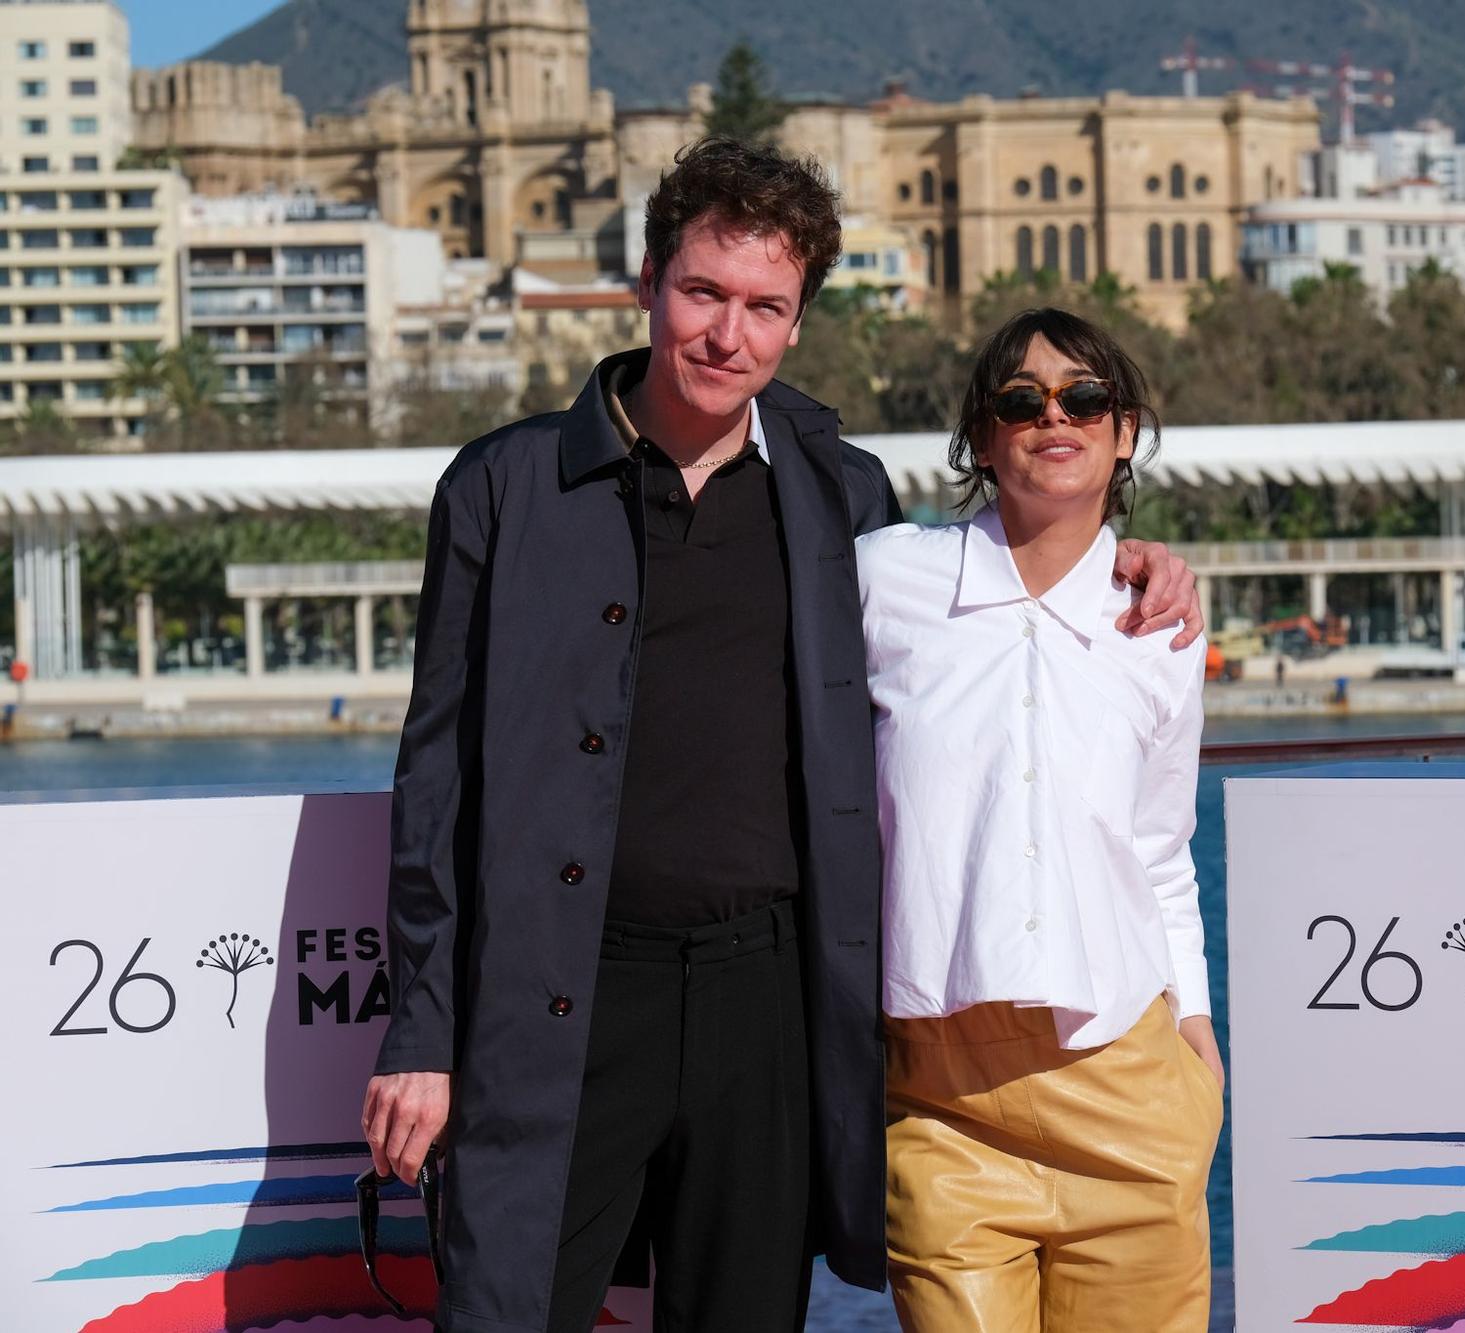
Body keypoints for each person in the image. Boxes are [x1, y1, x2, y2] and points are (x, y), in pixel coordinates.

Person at [359, 141, 1202, 1333]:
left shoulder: (839, 495)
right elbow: (434, 780)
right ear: (648, 280)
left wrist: (1132, 558)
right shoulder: (506, 487)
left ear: (796, 324)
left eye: (765, 307)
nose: (726, 335)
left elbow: (987, 583)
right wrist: (420, 1033)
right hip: (562, 995)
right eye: (703, 292)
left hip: (767, 1006)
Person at [856, 308, 1222, 1332]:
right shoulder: (882, 580)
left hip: (1129, 1093)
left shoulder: (1159, 624)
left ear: (1123, 431)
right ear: (981, 437)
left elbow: (1159, 846)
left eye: (1084, 398)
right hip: (943, 1110)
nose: (1052, 416)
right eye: (1020, 401)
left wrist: (1194, 1030)